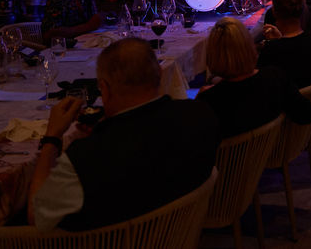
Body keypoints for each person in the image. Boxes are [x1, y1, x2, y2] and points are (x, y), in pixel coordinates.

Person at [29, 37, 219, 231]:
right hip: (179, 234)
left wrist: (52, 138)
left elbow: (37, 215)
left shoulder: (86, 159)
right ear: (160, 75)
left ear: (104, 89)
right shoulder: (201, 114)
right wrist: (104, 131)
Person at [196, 18, 311, 138]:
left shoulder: (209, 100)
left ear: (213, 54)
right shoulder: (275, 78)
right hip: (273, 148)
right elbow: (306, 115)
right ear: (249, 46)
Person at [257, 0, 311, 88]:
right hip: (310, 97)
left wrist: (273, 43)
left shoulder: (271, 50)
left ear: (274, 12)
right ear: (304, 9)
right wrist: (279, 40)